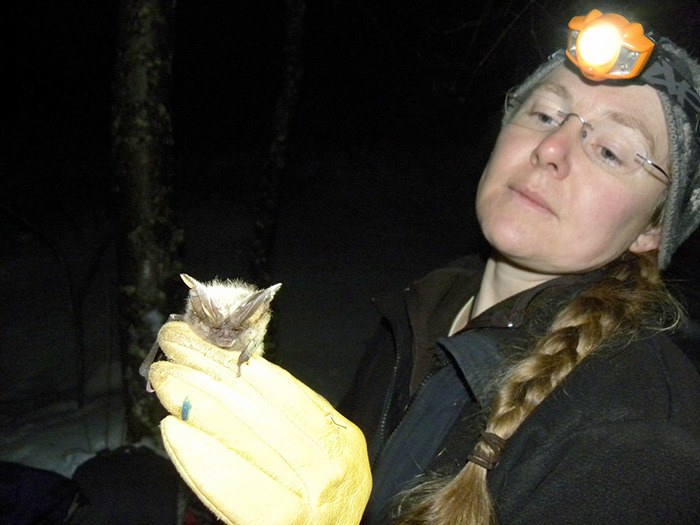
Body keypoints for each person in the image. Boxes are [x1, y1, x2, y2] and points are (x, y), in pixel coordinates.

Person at [146, 8, 700, 525]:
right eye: (546, 113)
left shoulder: (640, 436)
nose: (551, 148)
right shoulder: (423, 311)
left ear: (653, 228)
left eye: (609, 151)